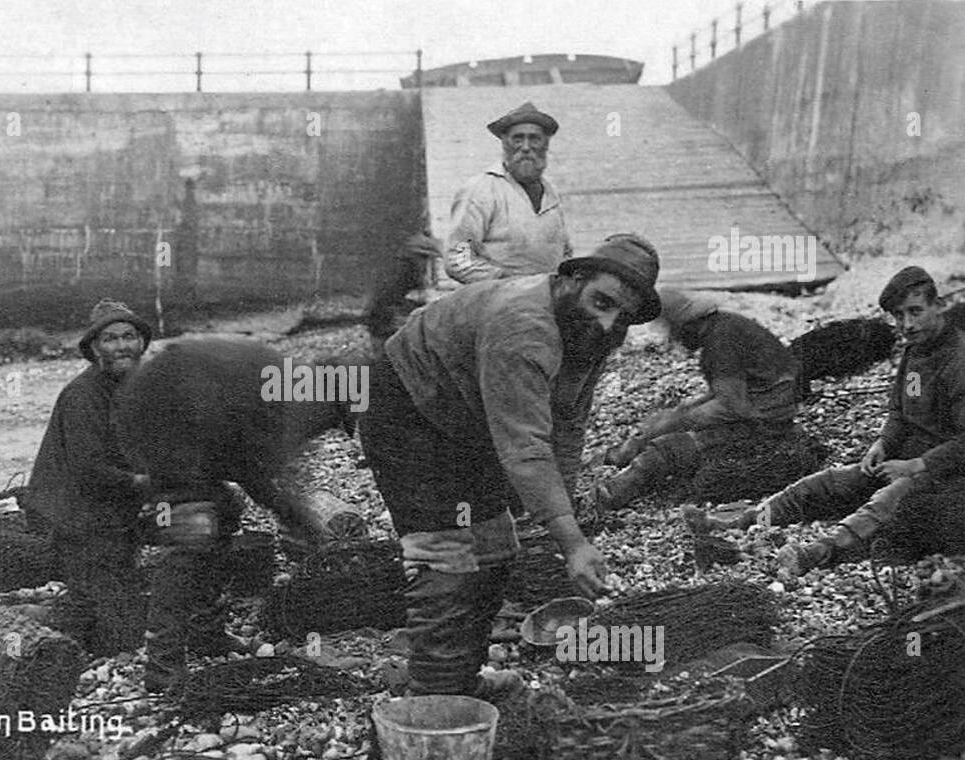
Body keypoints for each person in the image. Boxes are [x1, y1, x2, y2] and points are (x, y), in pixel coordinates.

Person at [359, 234, 661, 700]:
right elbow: (526, 446)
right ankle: (432, 701)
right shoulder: (523, 325)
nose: (607, 323)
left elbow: (567, 424)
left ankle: (460, 679)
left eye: (621, 316)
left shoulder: (590, 331)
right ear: (570, 279)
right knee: (447, 553)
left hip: (468, 417)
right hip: (410, 411)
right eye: (602, 302)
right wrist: (572, 542)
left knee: (495, 546)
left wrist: (557, 513)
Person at [685, 267, 965, 577]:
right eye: (899, 316)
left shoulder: (958, 362)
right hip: (906, 458)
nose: (907, 325)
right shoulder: (916, 352)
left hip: (947, 474)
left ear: (938, 305)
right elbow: (902, 411)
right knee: (827, 484)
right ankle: (744, 520)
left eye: (915, 312)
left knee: (886, 503)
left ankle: (819, 553)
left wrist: (916, 466)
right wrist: (883, 443)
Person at [115, 336, 354, 693]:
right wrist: (300, 520)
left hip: (190, 412)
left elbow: (248, 463)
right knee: (194, 528)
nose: (324, 435)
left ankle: (205, 633)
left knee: (224, 510)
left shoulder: (283, 385)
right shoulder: (297, 405)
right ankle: (162, 663)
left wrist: (291, 513)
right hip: (163, 412)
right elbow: (258, 473)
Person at [23, 300, 154, 657]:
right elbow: (89, 471)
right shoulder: (83, 396)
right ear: (95, 348)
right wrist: (148, 484)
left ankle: (83, 601)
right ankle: (36, 617)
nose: (122, 346)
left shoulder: (137, 386)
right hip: (78, 520)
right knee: (121, 641)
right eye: (110, 339)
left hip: (115, 514)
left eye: (129, 336)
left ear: (141, 343)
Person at [593, 288, 799, 511]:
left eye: (677, 331)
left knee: (667, 449)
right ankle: (621, 454)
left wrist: (679, 421)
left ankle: (608, 496)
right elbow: (728, 391)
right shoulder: (726, 326)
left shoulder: (722, 341)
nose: (677, 339)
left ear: (689, 324)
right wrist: (680, 412)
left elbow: (732, 406)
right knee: (671, 422)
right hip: (765, 408)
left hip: (766, 424)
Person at [444, 100, 572, 285]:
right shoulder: (480, 191)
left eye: (534, 139)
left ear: (546, 144)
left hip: (546, 300)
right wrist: (506, 281)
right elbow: (458, 257)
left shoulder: (550, 193)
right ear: (505, 143)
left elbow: (565, 251)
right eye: (518, 139)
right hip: (497, 301)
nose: (526, 147)